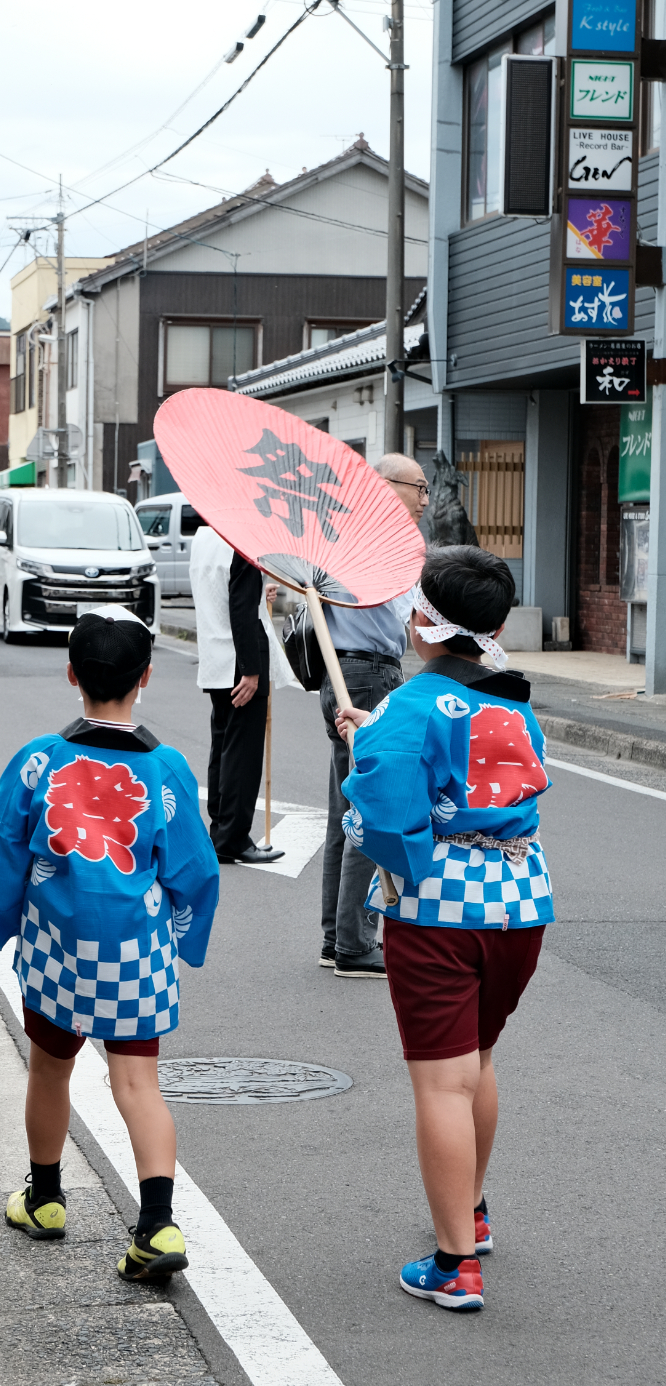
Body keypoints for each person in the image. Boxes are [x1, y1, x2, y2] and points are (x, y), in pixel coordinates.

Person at [336, 546, 552, 1313]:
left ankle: (455, 1263)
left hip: (440, 910)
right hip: (520, 903)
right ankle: (474, 1209)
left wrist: (364, 753)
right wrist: (379, 735)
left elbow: (385, 822)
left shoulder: (410, 703)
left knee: (441, 1080)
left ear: (425, 619)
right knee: (480, 1062)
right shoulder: (515, 700)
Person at [0, 608, 220, 1281]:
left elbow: (6, 853)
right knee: (138, 1083)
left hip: (57, 948)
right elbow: (193, 870)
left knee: (50, 1069)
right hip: (135, 953)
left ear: (70, 674)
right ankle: (157, 1225)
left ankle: (46, 1198)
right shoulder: (166, 769)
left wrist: (4, 924)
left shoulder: (38, 762)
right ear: (145, 678)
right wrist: (180, 936)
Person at [320, 452, 430, 978]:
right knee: (369, 809)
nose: (426, 498)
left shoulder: (342, 533)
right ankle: (355, 944)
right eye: (419, 487)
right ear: (387, 485)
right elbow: (403, 615)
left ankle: (333, 935)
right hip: (367, 674)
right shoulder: (384, 538)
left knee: (343, 809)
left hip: (340, 669)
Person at [189, 525, 297, 865]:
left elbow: (224, 595)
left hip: (215, 654)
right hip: (241, 659)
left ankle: (221, 829)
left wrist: (257, 596)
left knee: (223, 746)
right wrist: (251, 669)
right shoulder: (241, 539)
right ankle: (233, 839)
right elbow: (241, 608)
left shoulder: (203, 537)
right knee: (243, 753)